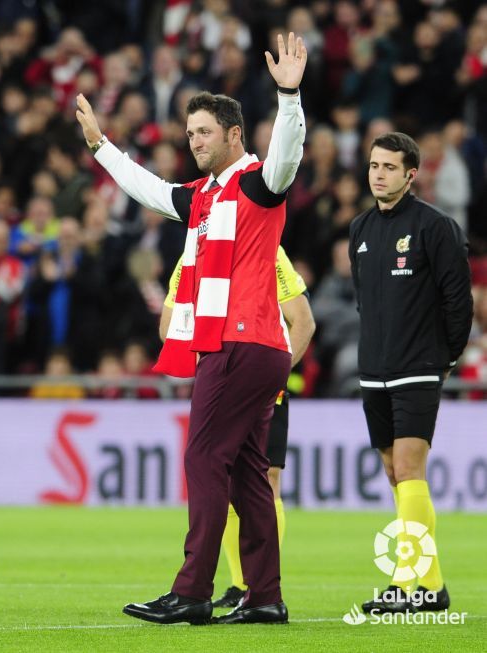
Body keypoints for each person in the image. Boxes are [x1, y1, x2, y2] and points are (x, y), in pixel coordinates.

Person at [76, 32, 307, 625]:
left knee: (204, 458)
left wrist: (289, 96)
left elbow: (287, 153)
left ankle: (193, 591)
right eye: (191, 131)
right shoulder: (204, 196)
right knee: (249, 475)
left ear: (234, 135)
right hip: (249, 347)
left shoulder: (259, 181)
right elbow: (151, 191)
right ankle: (264, 597)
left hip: (241, 342)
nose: (194, 140)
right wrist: (101, 147)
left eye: (205, 131)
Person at [350, 132, 472, 614]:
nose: (378, 174)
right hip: (373, 369)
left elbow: (457, 301)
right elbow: (365, 299)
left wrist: (445, 359)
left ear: (410, 174)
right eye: (374, 165)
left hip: (418, 368)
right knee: (392, 472)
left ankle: (406, 584)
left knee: (408, 468)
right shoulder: (359, 228)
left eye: (388, 167)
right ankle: (432, 585)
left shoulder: (434, 227)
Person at [160, 246, 315, 609]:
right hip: (222, 376)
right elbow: (170, 325)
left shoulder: (267, 252)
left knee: (265, 477)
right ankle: (244, 585)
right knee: (235, 479)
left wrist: (273, 375)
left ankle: (247, 586)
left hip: (260, 376)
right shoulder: (191, 254)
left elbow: (303, 321)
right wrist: (208, 363)